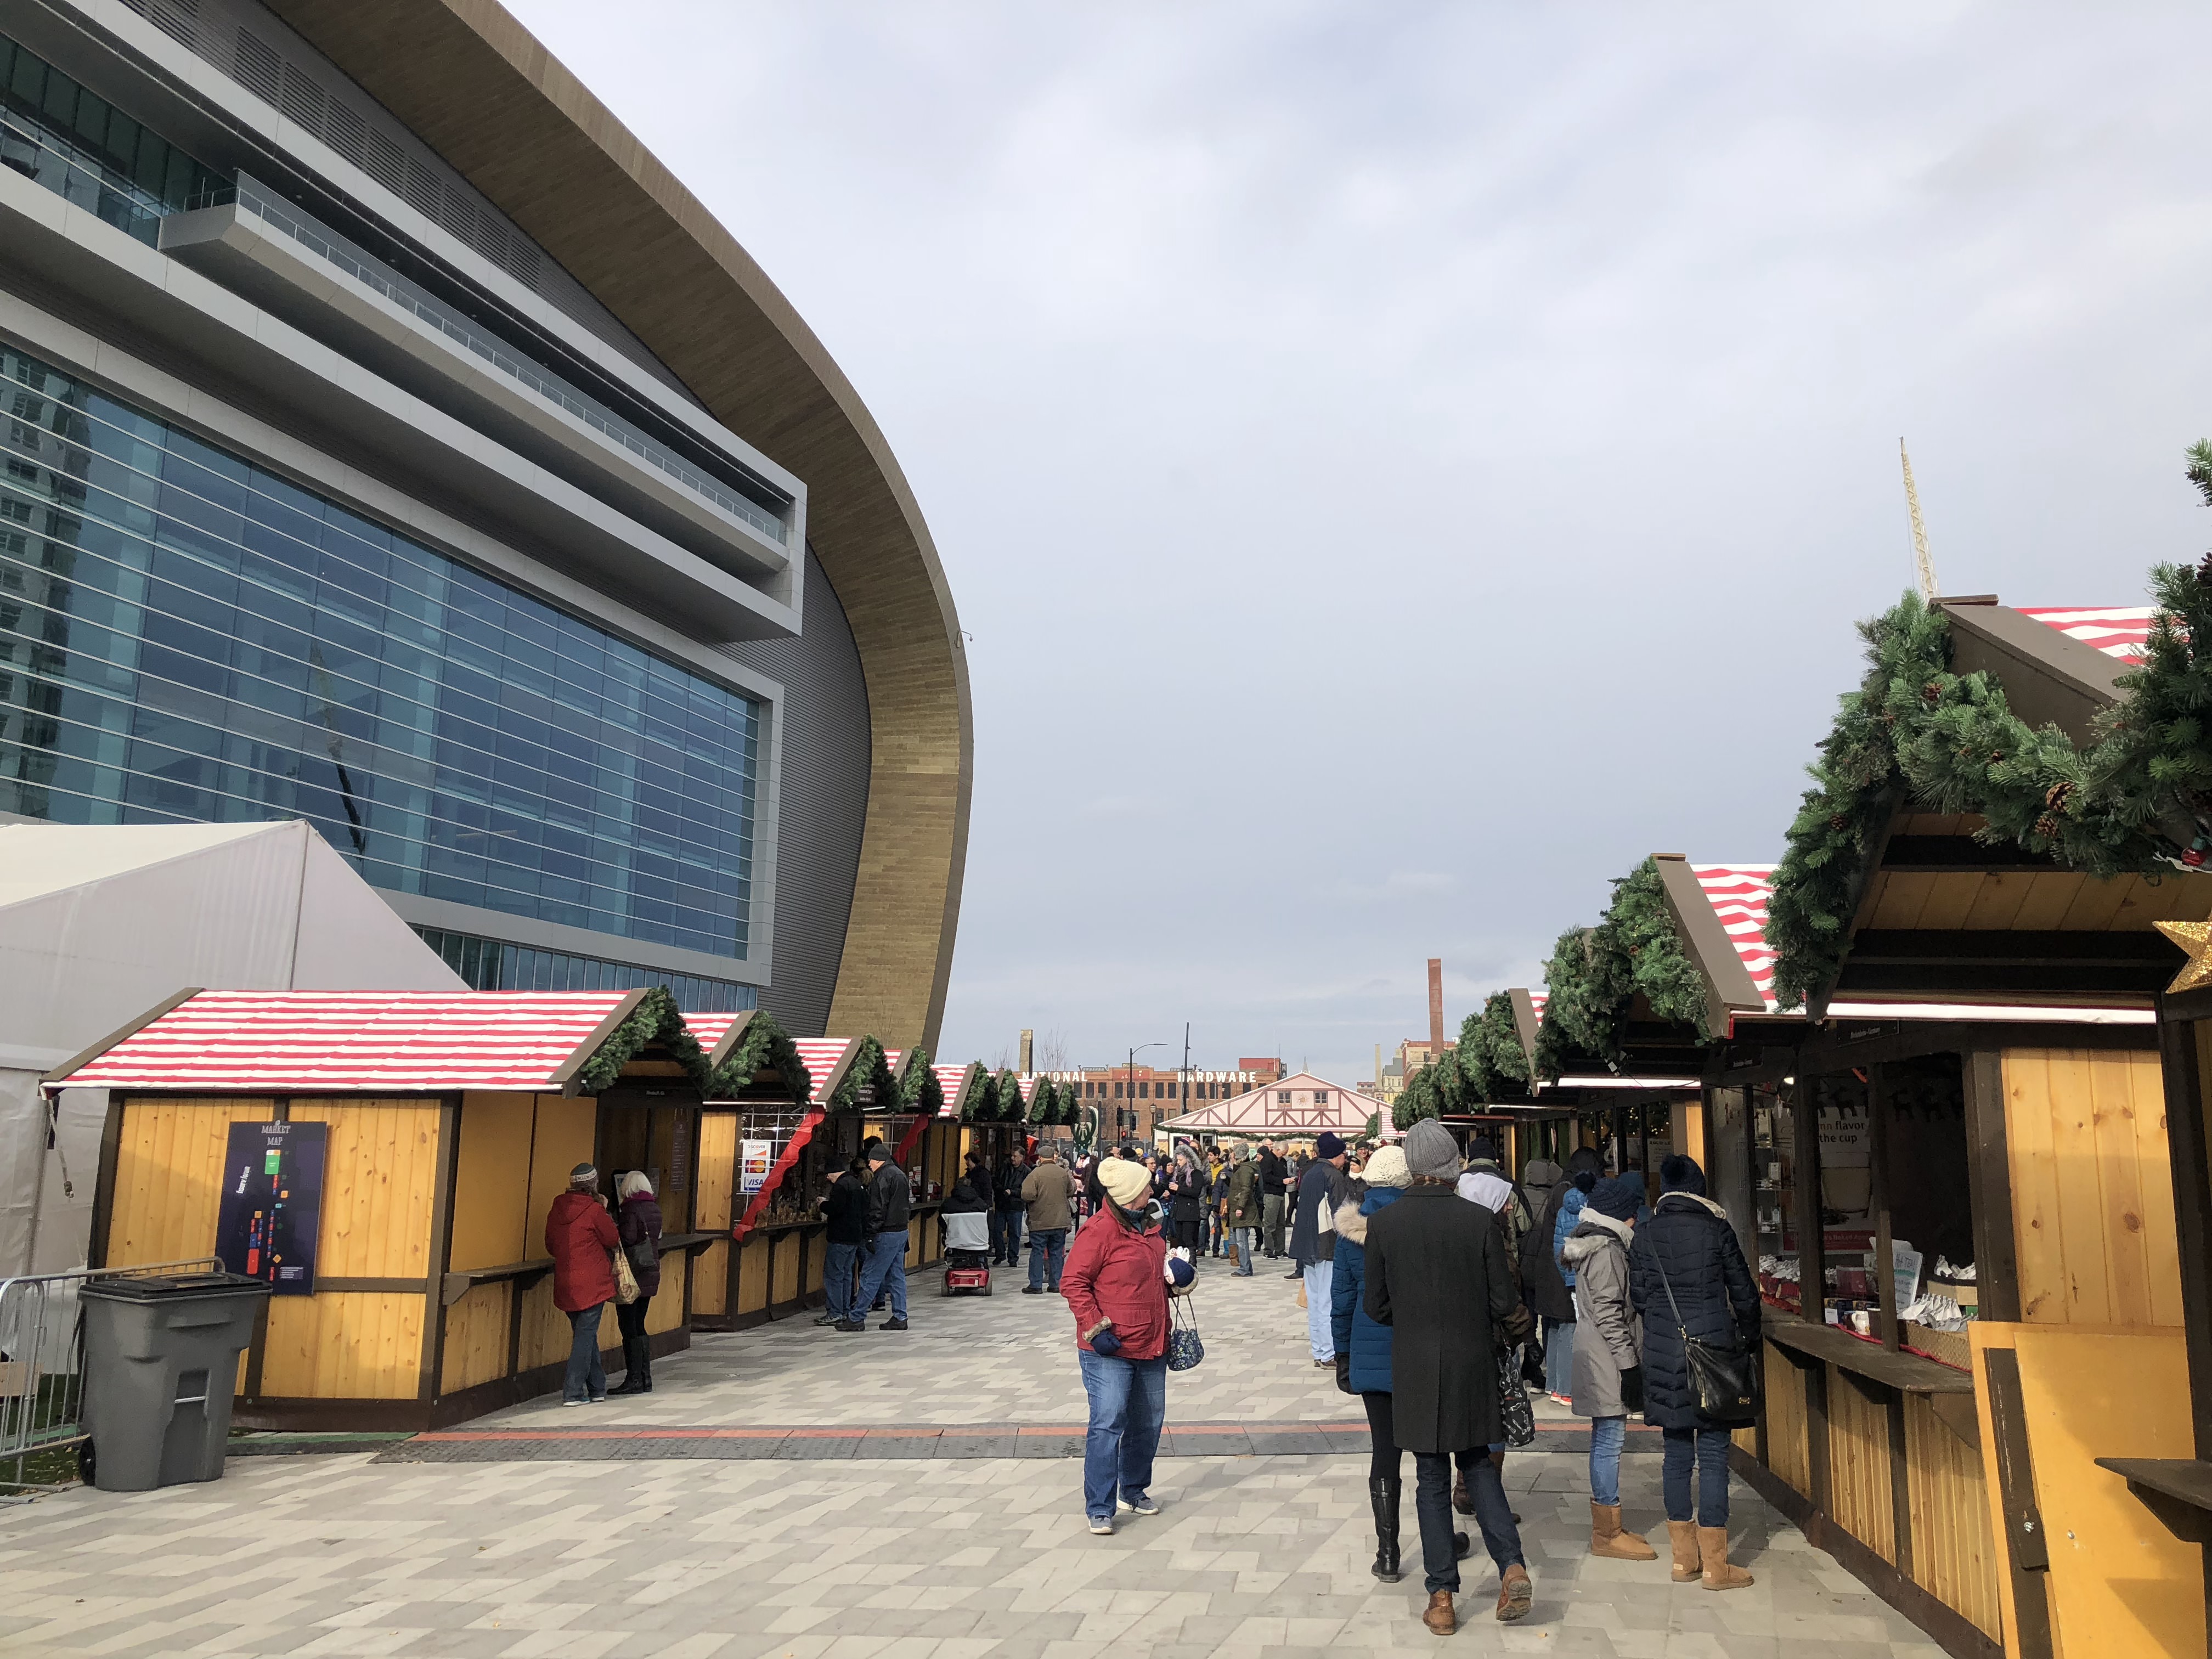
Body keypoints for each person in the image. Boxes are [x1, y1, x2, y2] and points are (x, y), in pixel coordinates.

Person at [1365, 1121, 1534, 1632]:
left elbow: (1376, 1305)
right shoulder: (1478, 1220)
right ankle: (1512, 1565)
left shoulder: (1386, 1224)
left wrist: (1415, 1319)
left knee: (1431, 1478)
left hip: (1415, 1361)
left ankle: (1441, 1596)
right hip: (1472, 1359)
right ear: (1449, 1165)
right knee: (1479, 1465)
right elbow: (1505, 1301)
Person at [1330, 1145, 1481, 1583]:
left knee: (1384, 1451)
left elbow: (1341, 1301)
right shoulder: (1423, 1220)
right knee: (1431, 1451)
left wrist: (1343, 1353)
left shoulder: (1350, 1229)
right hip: (1424, 1348)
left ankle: (1389, 1552)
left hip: (1371, 1351)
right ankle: (1440, 1539)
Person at [1630, 1154, 1759, 1590]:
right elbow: (1743, 1293)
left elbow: (1641, 1298)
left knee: (1677, 1456)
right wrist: (1748, 1339)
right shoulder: (1715, 1229)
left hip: (1666, 1354)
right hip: (1714, 1354)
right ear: (1699, 1189)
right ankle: (1716, 1566)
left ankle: (1683, 1560)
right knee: (1715, 1456)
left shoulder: (1644, 1233)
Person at [1063, 1154, 1183, 1535]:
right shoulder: (1098, 1231)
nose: (1153, 1190)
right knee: (1108, 1421)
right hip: (1109, 1349)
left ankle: (1133, 1489)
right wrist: (1095, 1329)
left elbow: (1153, 1279)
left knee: (1148, 1422)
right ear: (1131, 1194)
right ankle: (1100, 1504)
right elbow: (1074, 1283)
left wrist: (1177, 1278)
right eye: (1147, 1186)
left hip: (1151, 1341)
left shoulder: (1151, 1228)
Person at [1565, 1175, 1656, 1562]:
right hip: (1605, 1355)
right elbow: (1609, 1313)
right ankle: (1607, 1531)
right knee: (1610, 1438)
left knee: (1607, 1435)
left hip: (1597, 1351)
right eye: (1633, 1215)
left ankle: (1609, 1523)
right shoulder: (1608, 1252)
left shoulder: (1597, 1244)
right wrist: (1629, 1365)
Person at [545, 1162, 620, 1406]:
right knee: (584, 1338)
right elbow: (612, 1238)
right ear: (593, 1185)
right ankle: (573, 1392)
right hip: (592, 1283)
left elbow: (550, 1245)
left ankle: (597, 1388)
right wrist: (605, 1210)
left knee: (585, 1335)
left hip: (566, 1281)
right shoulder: (594, 1210)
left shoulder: (557, 1209)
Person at [1536, 1157, 1601, 1402]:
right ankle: (1565, 1389)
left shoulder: (1560, 1197)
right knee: (1567, 1328)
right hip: (1566, 1276)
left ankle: (1554, 1384)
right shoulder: (1578, 1204)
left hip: (1549, 1272)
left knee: (1553, 1328)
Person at [1288, 1132, 1352, 1368]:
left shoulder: (1311, 1172)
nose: (1346, 1158)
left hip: (1306, 1244)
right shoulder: (1333, 1176)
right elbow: (1342, 1213)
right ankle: (1328, 1353)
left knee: (1315, 1301)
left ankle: (1319, 1350)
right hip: (1326, 1243)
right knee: (1327, 1300)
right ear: (1336, 1155)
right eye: (1343, 1153)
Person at [608, 1171, 663, 1395]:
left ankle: (633, 1379)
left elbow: (628, 1238)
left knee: (628, 1326)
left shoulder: (631, 1209)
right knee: (640, 1324)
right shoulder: (654, 1208)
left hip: (633, 1274)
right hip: (650, 1272)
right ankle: (645, 1378)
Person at [850, 1142, 912, 1332]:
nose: (869, 1164)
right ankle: (900, 1316)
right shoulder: (900, 1175)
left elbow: (878, 1209)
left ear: (878, 1160)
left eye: (870, 1160)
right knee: (896, 1276)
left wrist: (870, 1235)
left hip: (886, 1233)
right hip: (901, 1231)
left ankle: (856, 1318)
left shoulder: (882, 1178)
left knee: (870, 1274)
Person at [816, 1155, 870, 1328]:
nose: (827, 1178)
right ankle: (846, 1309)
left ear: (833, 1172)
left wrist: (823, 1205)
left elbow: (836, 1209)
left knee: (834, 1275)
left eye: (828, 1174)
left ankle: (835, 1312)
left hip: (840, 1237)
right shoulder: (856, 1183)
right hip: (855, 1237)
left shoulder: (840, 1186)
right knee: (847, 1275)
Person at [1021, 1143, 1078, 1293]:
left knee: (1038, 1252)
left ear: (1040, 1158)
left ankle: (1036, 1284)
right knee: (1057, 1252)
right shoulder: (1062, 1173)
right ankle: (1056, 1284)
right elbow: (1071, 1190)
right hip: (1060, 1220)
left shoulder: (1035, 1174)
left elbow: (1027, 1195)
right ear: (1053, 1157)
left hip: (1040, 1221)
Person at [1223, 1143, 1261, 1276]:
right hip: (1239, 1209)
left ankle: (1245, 1269)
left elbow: (1246, 1189)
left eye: (1232, 1153)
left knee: (1242, 1241)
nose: (1231, 1156)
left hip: (1243, 1210)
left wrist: (1240, 1207)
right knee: (1240, 1240)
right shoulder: (1240, 1169)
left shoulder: (1245, 1170)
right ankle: (1246, 1268)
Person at [1166, 1146, 1206, 1256]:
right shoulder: (1178, 1174)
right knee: (1180, 1241)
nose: (1178, 1163)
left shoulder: (1196, 1174)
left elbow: (1195, 1192)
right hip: (1179, 1212)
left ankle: (1192, 1263)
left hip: (1190, 1212)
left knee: (1188, 1239)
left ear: (1188, 1159)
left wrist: (1179, 1189)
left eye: (1181, 1160)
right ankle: (1182, 1263)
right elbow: (1175, 1191)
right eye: (1177, 1160)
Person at [994, 1147, 1029, 1267]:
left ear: (1022, 1158)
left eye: (1015, 1156)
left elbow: (1026, 1190)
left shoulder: (1026, 1172)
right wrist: (1001, 1190)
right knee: (997, 1230)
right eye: (1012, 1156)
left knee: (1014, 1233)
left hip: (1016, 1206)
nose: (1013, 1158)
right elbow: (996, 1181)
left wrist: (1012, 1192)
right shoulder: (1004, 1168)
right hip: (1002, 1203)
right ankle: (1000, 1253)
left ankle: (1013, 1258)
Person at [1257, 1141, 1288, 1259]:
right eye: (1284, 1153)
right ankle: (1268, 1250)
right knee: (1270, 1224)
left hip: (1281, 1194)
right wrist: (1282, 1181)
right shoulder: (1268, 1160)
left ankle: (1280, 1250)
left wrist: (1288, 1180)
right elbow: (1267, 1177)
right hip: (1271, 1194)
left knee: (1281, 1224)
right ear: (1278, 1150)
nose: (1284, 1155)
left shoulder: (1283, 1161)